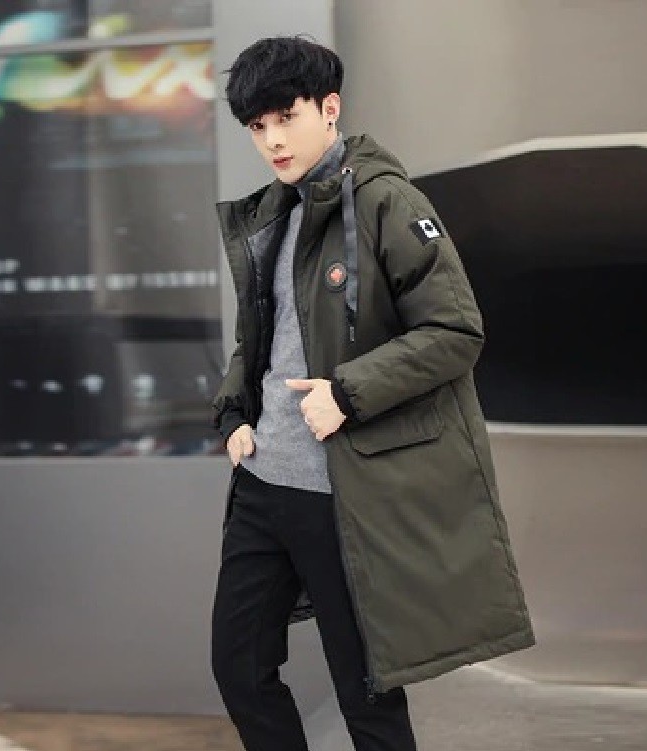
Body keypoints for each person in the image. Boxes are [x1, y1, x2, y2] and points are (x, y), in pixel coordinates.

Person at [210, 36, 534, 751]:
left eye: (285, 117)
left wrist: (348, 394)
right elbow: (257, 340)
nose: (272, 140)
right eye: (257, 126)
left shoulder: (386, 200)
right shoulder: (271, 214)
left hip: (342, 494)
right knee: (238, 669)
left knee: (367, 697)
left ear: (329, 108)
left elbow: (455, 330)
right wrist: (233, 410)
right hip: (262, 485)